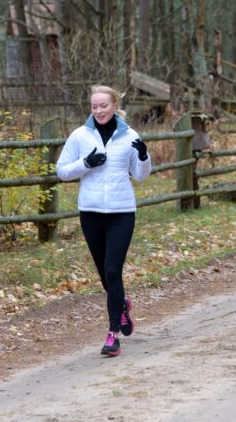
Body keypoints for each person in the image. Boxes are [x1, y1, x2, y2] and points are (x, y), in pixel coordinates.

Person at [56, 85, 152, 356]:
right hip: (91, 212)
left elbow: (142, 174)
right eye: (94, 106)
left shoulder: (130, 136)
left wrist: (144, 156)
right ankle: (121, 306)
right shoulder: (80, 136)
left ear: (114, 105)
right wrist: (85, 164)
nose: (98, 111)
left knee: (113, 270)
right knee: (104, 273)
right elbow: (62, 171)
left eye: (103, 106)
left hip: (121, 213)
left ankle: (113, 335)